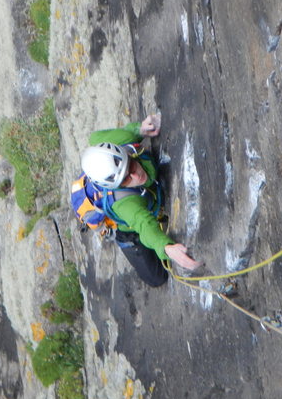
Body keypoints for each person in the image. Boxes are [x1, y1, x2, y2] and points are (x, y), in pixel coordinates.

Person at [81, 113, 201, 286]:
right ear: (116, 185)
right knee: (156, 278)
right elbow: (143, 224)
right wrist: (165, 247)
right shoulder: (125, 203)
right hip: (128, 229)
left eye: (131, 165)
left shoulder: (121, 141)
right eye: (126, 179)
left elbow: (95, 137)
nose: (137, 175)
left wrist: (140, 129)